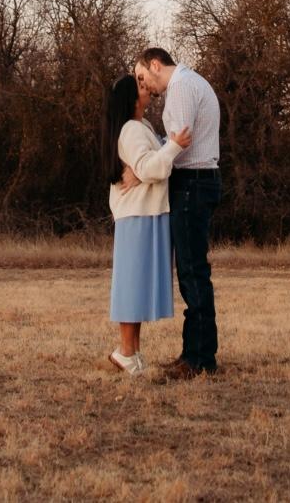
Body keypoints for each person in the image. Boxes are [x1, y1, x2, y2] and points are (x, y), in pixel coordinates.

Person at [133, 46, 222, 379]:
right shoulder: (189, 83)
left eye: (142, 76)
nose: (143, 85)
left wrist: (144, 165)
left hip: (192, 183)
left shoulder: (182, 87)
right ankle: (195, 353)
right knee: (191, 269)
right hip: (196, 182)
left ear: (155, 65)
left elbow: (179, 144)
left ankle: (199, 359)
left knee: (192, 271)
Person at [103, 71, 192, 376]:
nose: (147, 88)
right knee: (131, 284)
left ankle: (132, 353)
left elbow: (147, 165)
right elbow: (150, 166)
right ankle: (126, 351)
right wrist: (174, 146)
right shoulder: (130, 130)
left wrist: (162, 151)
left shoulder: (142, 127)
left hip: (145, 212)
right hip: (137, 215)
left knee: (138, 284)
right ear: (131, 98)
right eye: (140, 86)